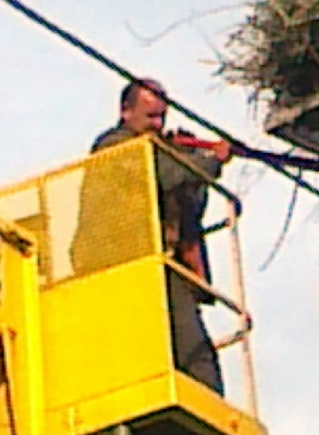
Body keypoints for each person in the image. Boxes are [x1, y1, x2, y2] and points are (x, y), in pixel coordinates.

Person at [91, 78, 230, 395]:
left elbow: (189, 208)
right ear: (125, 111)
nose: (157, 125)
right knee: (182, 352)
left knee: (195, 354)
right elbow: (164, 175)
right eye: (149, 117)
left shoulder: (159, 150)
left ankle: (209, 411)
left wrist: (190, 159)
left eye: (161, 118)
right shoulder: (114, 146)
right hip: (124, 265)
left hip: (159, 264)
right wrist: (208, 162)